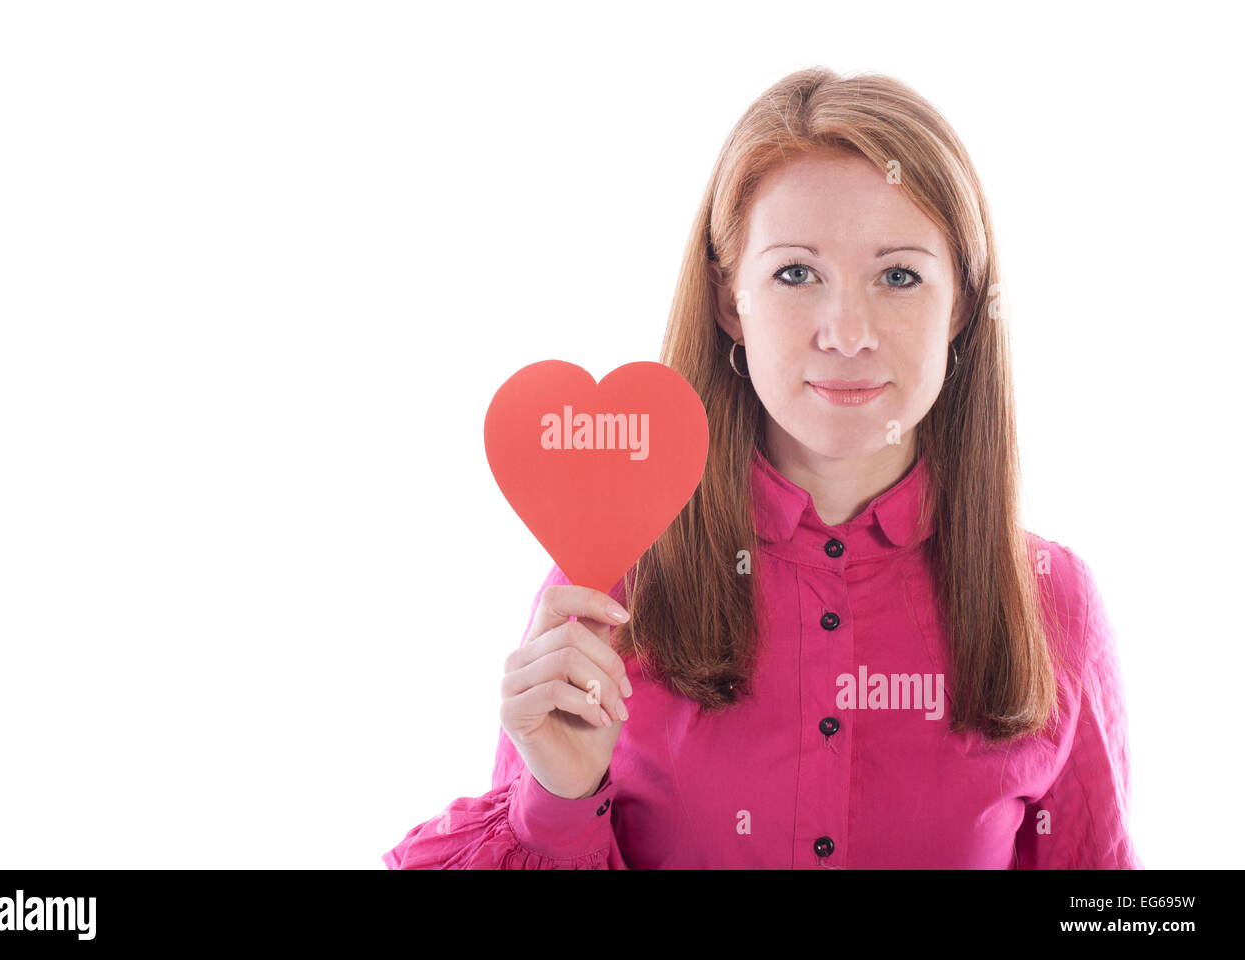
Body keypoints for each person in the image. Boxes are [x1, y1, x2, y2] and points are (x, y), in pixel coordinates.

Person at [382, 66, 1141, 869]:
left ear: (959, 305)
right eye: (795, 274)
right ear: (727, 301)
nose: (846, 333)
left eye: (898, 276)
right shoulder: (610, 592)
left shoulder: (1053, 602)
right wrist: (562, 799)